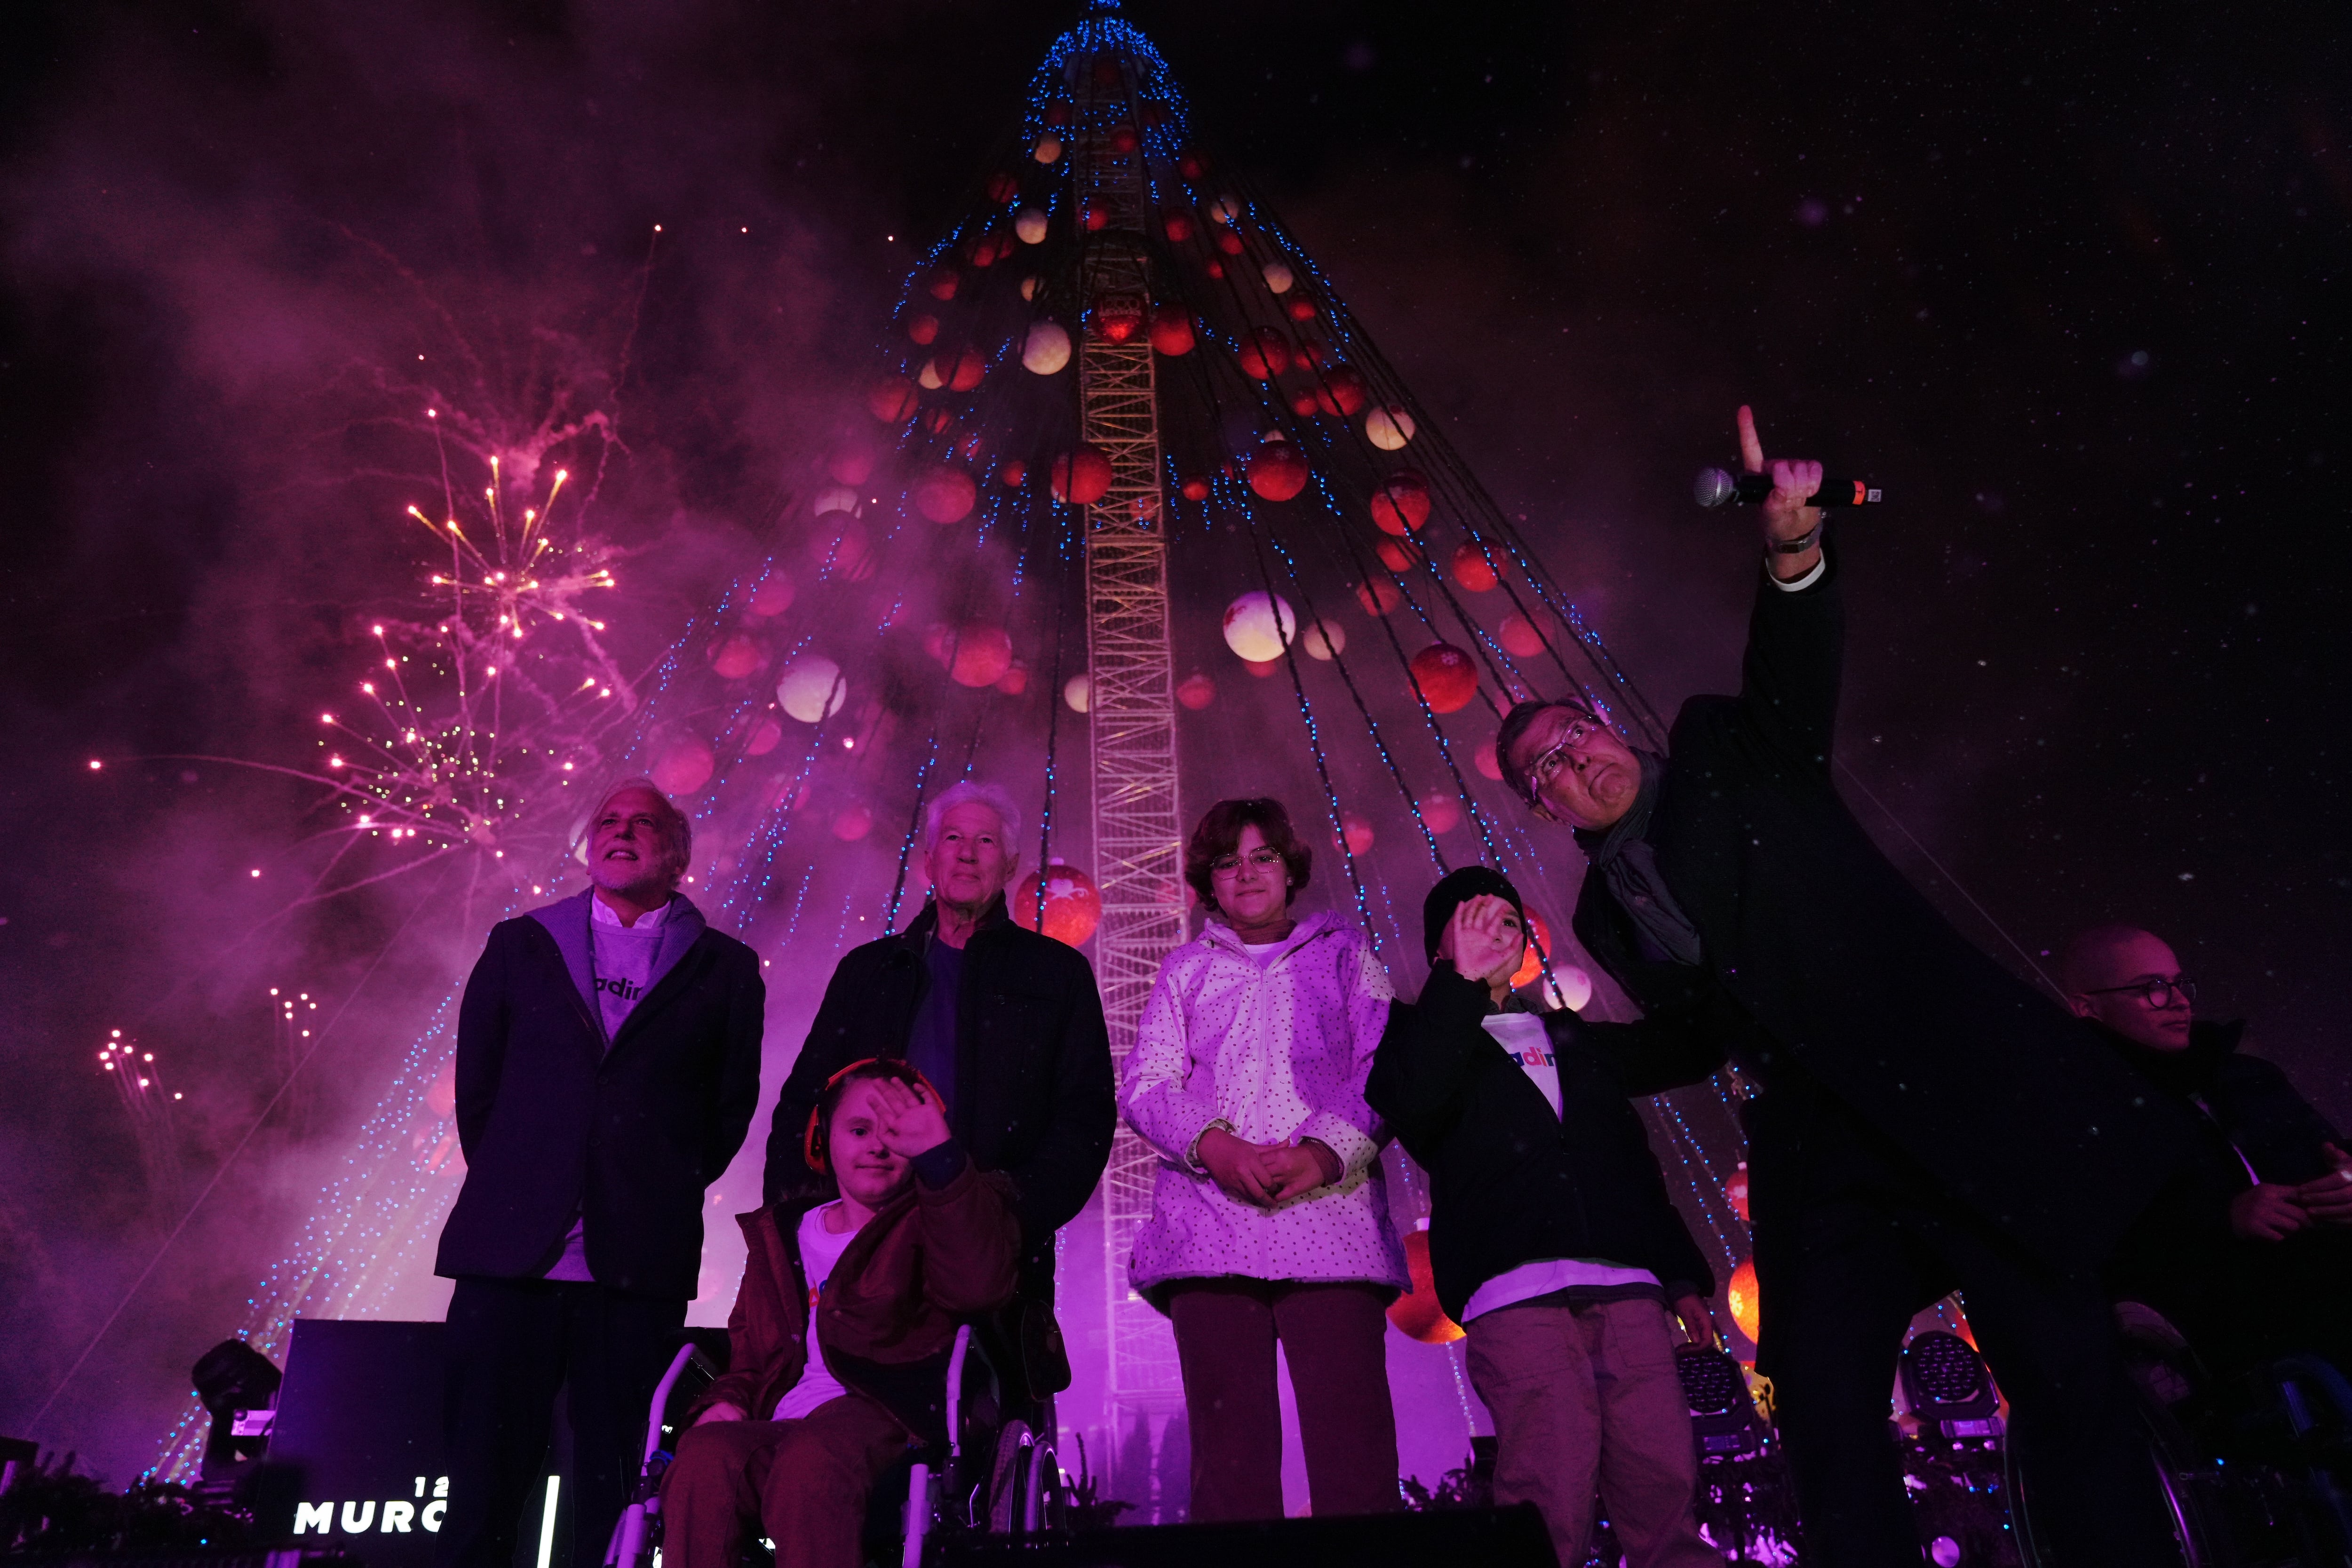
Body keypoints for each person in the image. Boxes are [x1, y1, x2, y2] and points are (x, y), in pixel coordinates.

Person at [1491, 407, 2200, 1566]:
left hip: (1951, 1094)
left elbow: (1791, 672)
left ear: (1608, 726)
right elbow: (1690, 1032)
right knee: (1823, 1411)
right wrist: (1531, 1051)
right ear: (1542, 808)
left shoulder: (1726, 749)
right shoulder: (1600, 911)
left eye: (1574, 736)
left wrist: (1789, 554)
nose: (1574, 763)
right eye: (1545, 773)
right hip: (1822, 1147)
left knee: (2061, 1381)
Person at [435, 780, 765, 1568]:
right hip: (509, 1260)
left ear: (675, 854)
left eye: (644, 823)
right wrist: (533, 1180)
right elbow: (478, 1091)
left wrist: (653, 1182)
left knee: (617, 1491)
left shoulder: (724, 967)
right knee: (480, 1481)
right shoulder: (521, 944)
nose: (623, 832)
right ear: (590, 845)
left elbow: (729, 1106)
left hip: (635, 1267)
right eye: (609, 821)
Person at [1368, 867, 1720, 1568]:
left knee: (1665, 1484)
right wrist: (1459, 986)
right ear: (1440, 947)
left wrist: (1681, 1274)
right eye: (1470, 921)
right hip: (1514, 1291)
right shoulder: (1420, 1035)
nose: (1493, 932)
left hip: (1628, 1286)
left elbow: (1640, 1144)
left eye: (1505, 920)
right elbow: (1409, 1099)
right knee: (1545, 1492)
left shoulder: (1577, 1039)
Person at [763, 781, 1113, 1400]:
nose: (967, 853)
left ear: (1011, 865)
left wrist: (1012, 1208)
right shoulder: (869, 972)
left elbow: (1083, 1118)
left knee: (986, 1423)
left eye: (986, 841)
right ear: (928, 860)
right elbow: (804, 1104)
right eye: (952, 838)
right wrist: (800, 1214)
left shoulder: (1056, 975)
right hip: (864, 1242)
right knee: (851, 1420)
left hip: (994, 1245)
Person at [1119, 796, 1406, 1522]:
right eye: (1226, 862)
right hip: (1211, 1233)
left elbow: (1388, 1067)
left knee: (1356, 1464)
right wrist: (1216, 1146)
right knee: (1231, 1470)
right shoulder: (1186, 970)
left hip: (1332, 1233)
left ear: (1290, 867)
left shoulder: (1348, 956)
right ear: (1208, 881)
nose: (1245, 874)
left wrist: (1322, 1153)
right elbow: (1147, 1083)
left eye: (1262, 856)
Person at [663, 1060, 1019, 1568]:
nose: (876, 1146)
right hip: (786, 1422)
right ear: (821, 1140)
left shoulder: (936, 1221)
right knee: (704, 1457)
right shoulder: (780, 1238)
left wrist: (942, 1161)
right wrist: (725, 1403)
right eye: (858, 1130)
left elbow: (979, 1284)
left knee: (812, 1459)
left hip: (888, 1413)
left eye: (895, 1134)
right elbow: (752, 1359)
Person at [2063, 923, 2352, 1375]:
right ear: (2088, 1007)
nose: (2179, 1000)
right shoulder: (2086, 1112)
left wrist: (2348, 1182)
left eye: (2179, 984)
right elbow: (2091, 1242)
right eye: (2151, 989)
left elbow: (2334, 1150)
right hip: (2236, 1332)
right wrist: (2224, 1220)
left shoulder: (2250, 1076)